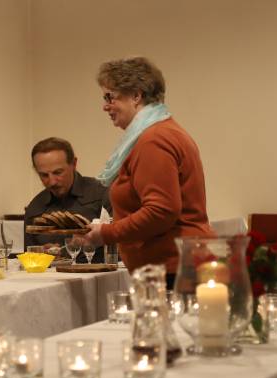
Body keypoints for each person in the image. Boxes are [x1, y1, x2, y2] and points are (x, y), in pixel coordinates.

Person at [84, 57, 214, 285]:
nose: (105, 106)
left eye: (110, 97)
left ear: (136, 95)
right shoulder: (162, 132)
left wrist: (105, 233)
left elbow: (160, 211)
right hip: (176, 264)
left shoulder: (154, 139)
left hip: (172, 268)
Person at [24, 137, 111, 262]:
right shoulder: (35, 208)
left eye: (58, 172)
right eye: (44, 175)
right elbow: (29, 259)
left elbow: (124, 246)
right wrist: (41, 255)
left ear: (74, 164)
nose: (52, 182)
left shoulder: (102, 194)